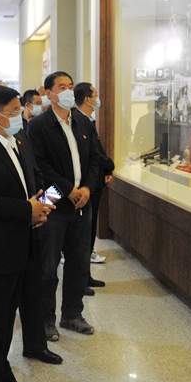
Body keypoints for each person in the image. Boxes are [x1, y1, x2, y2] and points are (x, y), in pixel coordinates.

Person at [0, 85, 55, 382]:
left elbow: (29, 179)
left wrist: (39, 207)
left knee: (6, 317)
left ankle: (2, 374)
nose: (20, 115)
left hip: (21, 241)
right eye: (14, 111)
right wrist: (27, 209)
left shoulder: (14, 139)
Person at [27, 71, 100, 341]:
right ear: (49, 93)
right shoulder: (38, 126)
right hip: (51, 200)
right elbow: (39, 165)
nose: (68, 91)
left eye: (70, 86)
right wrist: (67, 189)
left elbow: (95, 158)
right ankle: (46, 320)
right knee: (47, 267)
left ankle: (72, 314)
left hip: (82, 201)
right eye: (62, 87)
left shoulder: (83, 122)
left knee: (79, 263)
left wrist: (87, 188)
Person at [74, 82, 115, 276]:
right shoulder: (79, 120)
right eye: (95, 95)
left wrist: (106, 169)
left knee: (90, 224)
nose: (98, 99)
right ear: (87, 99)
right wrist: (109, 164)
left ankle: (86, 270)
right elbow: (92, 153)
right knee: (84, 227)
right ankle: (83, 265)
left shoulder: (88, 120)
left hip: (95, 179)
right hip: (85, 184)